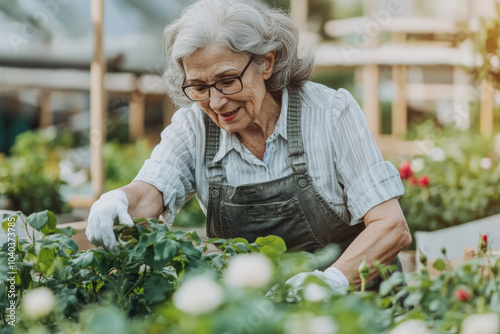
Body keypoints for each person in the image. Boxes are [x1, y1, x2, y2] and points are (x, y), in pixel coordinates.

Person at [86, 0, 412, 291]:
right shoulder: (193, 129)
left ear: (265, 62)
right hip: (260, 312)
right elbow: (150, 193)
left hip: (362, 307)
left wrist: (331, 282)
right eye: (198, 87)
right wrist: (118, 200)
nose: (215, 101)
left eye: (228, 80)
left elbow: (391, 227)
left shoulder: (330, 114)